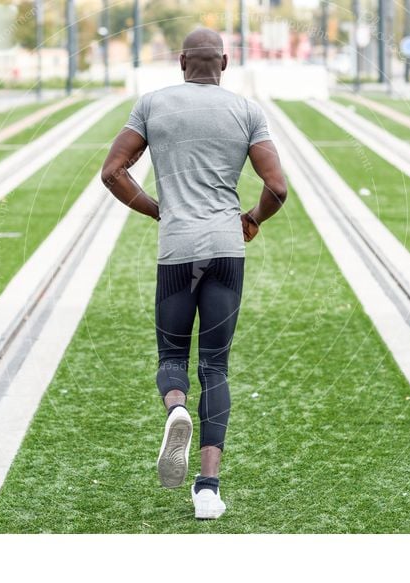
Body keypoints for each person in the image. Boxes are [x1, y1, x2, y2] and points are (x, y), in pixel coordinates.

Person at [101, 27, 287, 519]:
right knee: (217, 367)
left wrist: (157, 210)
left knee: (171, 357)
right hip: (227, 252)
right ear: (223, 63)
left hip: (177, 251)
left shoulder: (152, 105)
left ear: (182, 61)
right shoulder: (247, 111)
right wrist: (252, 219)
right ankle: (207, 489)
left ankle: (176, 408)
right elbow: (278, 187)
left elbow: (113, 171)